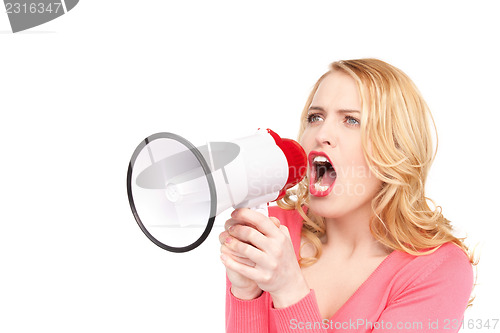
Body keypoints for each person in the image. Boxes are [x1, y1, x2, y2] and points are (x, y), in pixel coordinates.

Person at [219, 58, 476, 332]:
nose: (322, 134)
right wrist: (246, 293)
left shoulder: (437, 270)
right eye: (315, 117)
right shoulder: (273, 231)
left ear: (396, 148)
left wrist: (289, 291)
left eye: (351, 120)